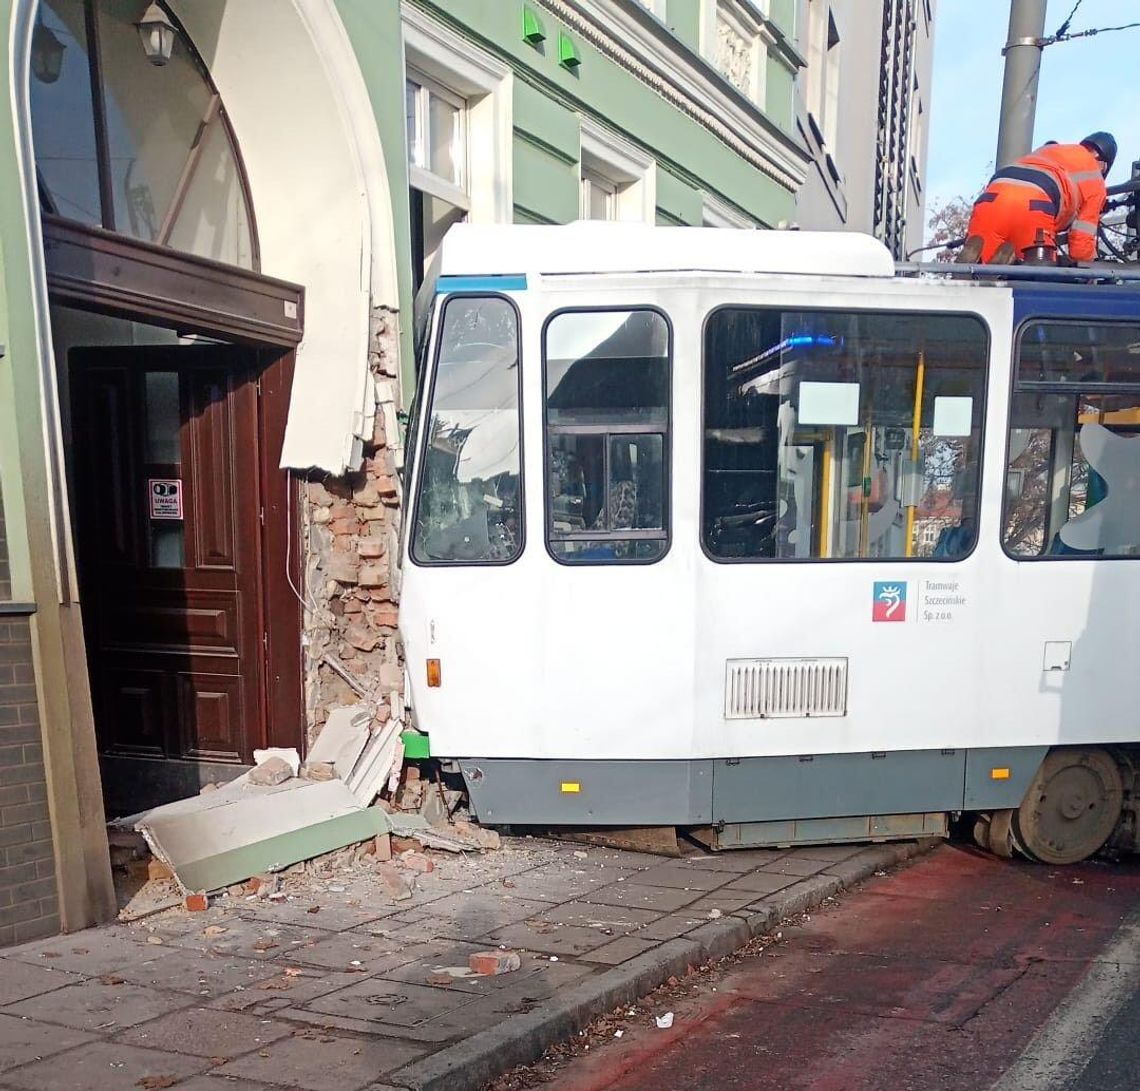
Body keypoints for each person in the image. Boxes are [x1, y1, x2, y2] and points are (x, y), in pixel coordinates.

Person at [958, 132, 1116, 265]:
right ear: (1104, 166)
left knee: (979, 267)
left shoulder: (1051, 149)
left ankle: (974, 265)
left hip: (991, 198)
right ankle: (1011, 266)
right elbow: (1081, 245)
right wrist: (1090, 269)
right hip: (1035, 204)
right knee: (1038, 271)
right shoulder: (1096, 181)